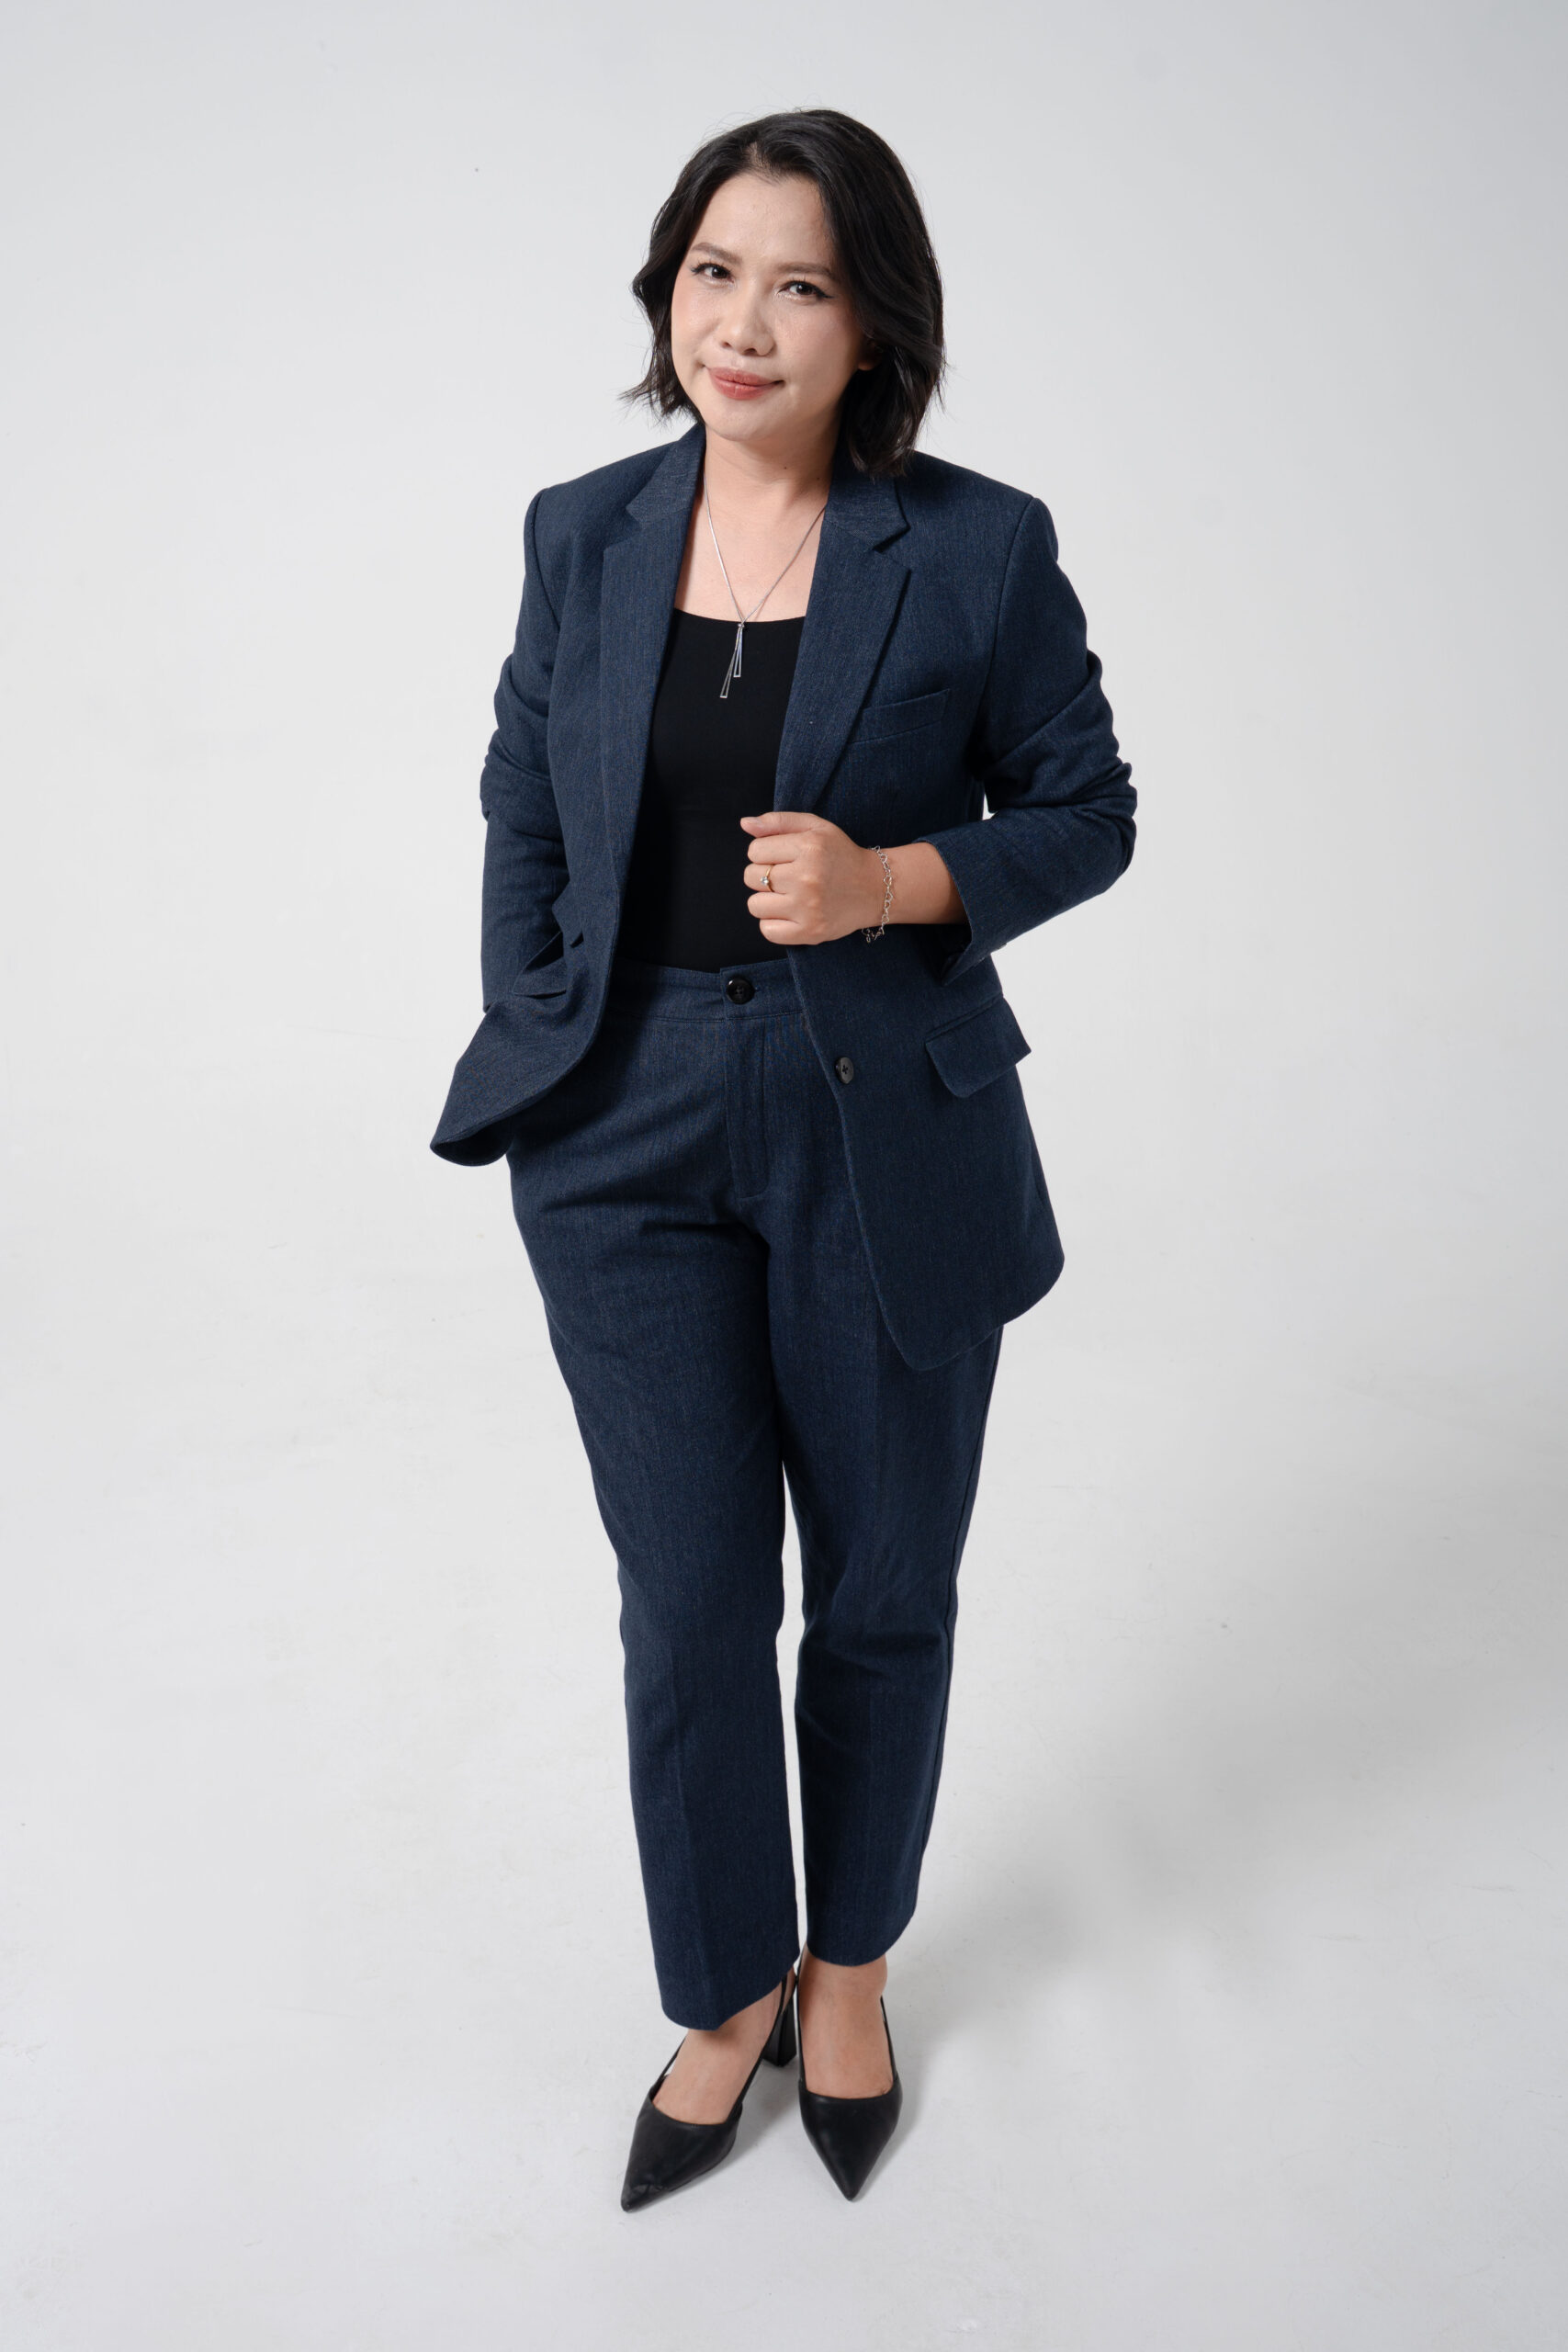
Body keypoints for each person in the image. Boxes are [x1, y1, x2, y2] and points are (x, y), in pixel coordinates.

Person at [431, 107, 1134, 2208]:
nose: (740, 321)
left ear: (871, 326)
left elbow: (1086, 806)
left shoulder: (974, 547)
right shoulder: (580, 529)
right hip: (618, 1118)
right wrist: (542, 1021)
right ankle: (724, 1983)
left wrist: (891, 877)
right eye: (711, 270)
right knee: (684, 1598)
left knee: (883, 1584)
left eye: (798, 283)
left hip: (876, 1120)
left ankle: (849, 1969)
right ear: (668, 288)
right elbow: (523, 794)